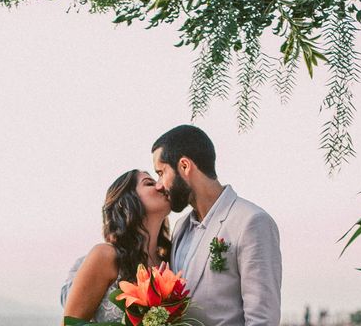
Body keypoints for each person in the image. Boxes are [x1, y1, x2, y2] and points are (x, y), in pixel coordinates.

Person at [152, 125, 282, 326]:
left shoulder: (252, 222)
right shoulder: (180, 228)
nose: (159, 185)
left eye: (161, 173)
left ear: (184, 166)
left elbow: (262, 320)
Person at [60, 169, 171, 324]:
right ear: (126, 201)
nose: (160, 186)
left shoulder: (168, 264)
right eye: (149, 183)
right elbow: (70, 323)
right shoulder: (105, 255)